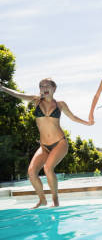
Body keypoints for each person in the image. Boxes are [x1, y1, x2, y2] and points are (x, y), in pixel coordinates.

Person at [0, 78, 93, 208]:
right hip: (44, 146)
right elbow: (19, 95)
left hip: (59, 143)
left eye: (47, 86)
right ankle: (42, 200)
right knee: (32, 172)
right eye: (41, 86)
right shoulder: (36, 101)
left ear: (54, 88)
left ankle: (55, 200)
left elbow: (73, 117)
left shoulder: (60, 104)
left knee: (48, 168)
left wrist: (87, 123)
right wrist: (3, 88)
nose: (44, 88)